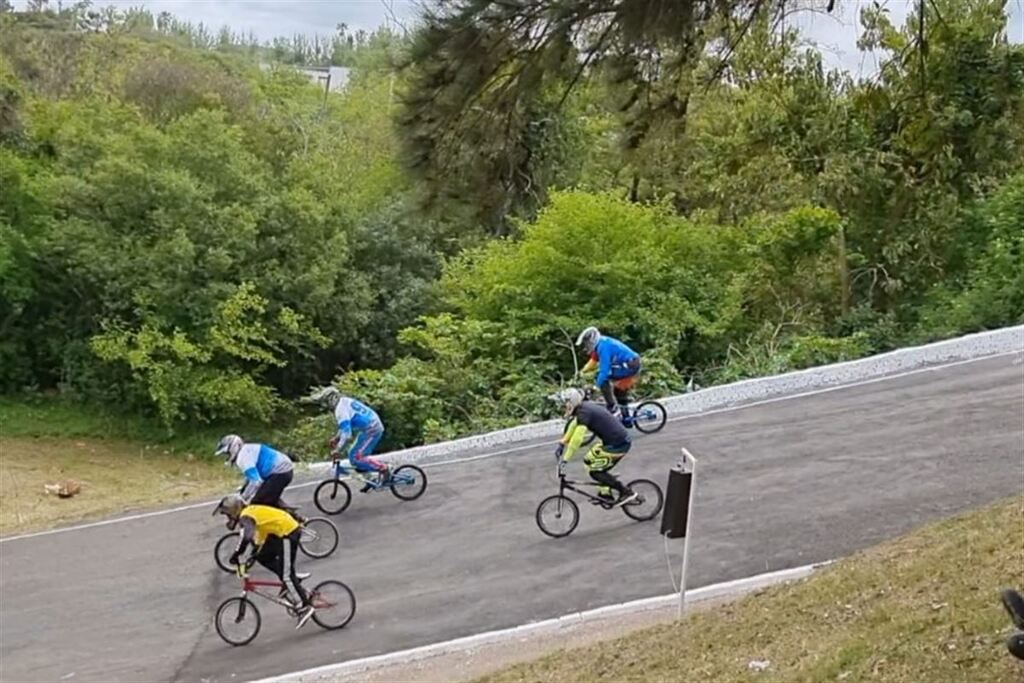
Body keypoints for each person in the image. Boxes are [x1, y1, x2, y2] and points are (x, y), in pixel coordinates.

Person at [213, 493, 315, 629]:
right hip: (280, 533)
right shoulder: (251, 512)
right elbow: (259, 541)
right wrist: (251, 557)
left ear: (234, 510)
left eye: (227, 514)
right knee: (262, 557)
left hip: (287, 533)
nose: (228, 518)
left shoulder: (246, 516)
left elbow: (246, 537)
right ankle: (291, 580)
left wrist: (236, 554)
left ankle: (305, 606)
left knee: (286, 574)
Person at [555, 388, 638, 507]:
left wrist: (565, 460)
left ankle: (626, 492)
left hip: (618, 445)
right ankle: (605, 493)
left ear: (571, 402)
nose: (564, 407)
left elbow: (577, 440)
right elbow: (574, 425)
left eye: (565, 404)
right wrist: (562, 442)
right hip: (612, 442)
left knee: (595, 471)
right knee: (589, 459)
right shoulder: (583, 408)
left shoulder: (584, 412)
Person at [307, 387, 389, 490]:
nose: (325, 405)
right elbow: (344, 427)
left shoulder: (340, 410)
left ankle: (383, 468)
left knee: (357, 457)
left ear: (331, 399)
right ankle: (370, 480)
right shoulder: (343, 402)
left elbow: (347, 434)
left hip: (372, 429)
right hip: (368, 428)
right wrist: (337, 438)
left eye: (325, 401)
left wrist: (338, 449)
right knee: (353, 455)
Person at [215, 435, 300, 516]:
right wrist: (243, 490)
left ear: (233, 448)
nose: (227, 456)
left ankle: (289, 524)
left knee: (258, 505)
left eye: (227, 453)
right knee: (265, 496)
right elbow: (251, 477)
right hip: (282, 470)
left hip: (280, 472)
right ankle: (294, 517)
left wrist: (243, 498)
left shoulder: (243, 458)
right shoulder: (245, 450)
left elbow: (256, 482)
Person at [576, 326, 641, 422]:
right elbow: (593, 361)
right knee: (619, 392)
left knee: (603, 378)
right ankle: (626, 418)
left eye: (586, 343)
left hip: (631, 365)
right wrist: (582, 371)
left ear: (591, 340)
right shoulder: (600, 343)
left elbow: (604, 371)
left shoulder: (603, 347)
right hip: (626, 364)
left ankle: (612, 407)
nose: (586, 346)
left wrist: (596, 387)